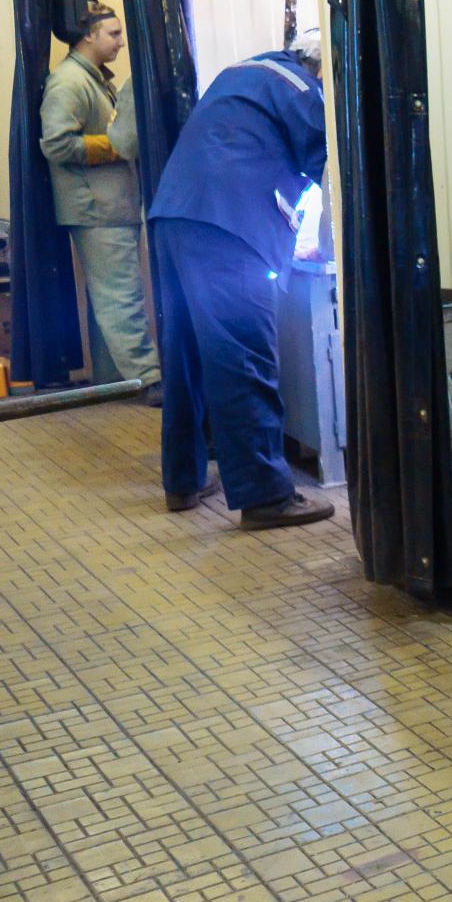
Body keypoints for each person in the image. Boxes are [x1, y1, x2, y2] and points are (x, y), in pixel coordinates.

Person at [149, 30, 334, 530]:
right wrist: (328, 244)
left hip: (174, 217)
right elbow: (332, 171)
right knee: (244, 355)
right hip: (229, 227)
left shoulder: (244, 74)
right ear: (323, 68)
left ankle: (183, 479)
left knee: (185, 354)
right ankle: (266, 495)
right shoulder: (303, 90)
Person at [38, 5, 162, 402]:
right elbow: (57, 144)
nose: (121, 42)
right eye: (114, 33)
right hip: (98, 209)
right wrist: (117, 146)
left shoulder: (93, 79)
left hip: (109, 205)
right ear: (88, 35)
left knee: (109, 296)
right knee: (121, 296)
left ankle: (112, 381)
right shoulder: (70, 82)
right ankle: (149, 378)